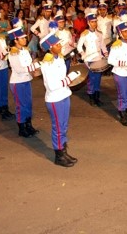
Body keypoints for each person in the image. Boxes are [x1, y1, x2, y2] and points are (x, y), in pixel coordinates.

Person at [40, 33, 80, 167]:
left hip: (64, 95)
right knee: (57, 127)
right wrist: (70, 78)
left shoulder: (59, 58)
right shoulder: (47, 64)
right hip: (55, 99)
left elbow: (61, 78)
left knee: (63, 126)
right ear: (50, 48)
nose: (60, 45)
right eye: (57, 44)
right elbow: (52, 85)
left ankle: (64, 150)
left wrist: (69, 77)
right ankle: (59, 155)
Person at [7, 26, 41, 138]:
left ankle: (28, 125)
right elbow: (19, 69)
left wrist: (34, 68)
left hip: (26, 80)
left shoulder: (25, 50)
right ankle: (21, 128)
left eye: (24, 38)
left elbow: (29, 64)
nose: (25, 40)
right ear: (15, 40)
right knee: (21, 105)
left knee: (28, 104)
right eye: (22, 38)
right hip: (18, 82)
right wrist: (34, 66)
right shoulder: (13, 53)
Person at [77, 9, 108, 106]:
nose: (94, 23)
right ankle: (91, 97)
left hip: (98, 58)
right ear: (88, 22)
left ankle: (97, 97)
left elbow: (103, 45)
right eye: (92, 22)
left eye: (95, 21)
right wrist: (83, 54)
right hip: (89, 60)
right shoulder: (84, 34)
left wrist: (106, 54)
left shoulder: (99, 33)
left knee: (98, 79)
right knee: (91, 79)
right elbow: (79, 46)